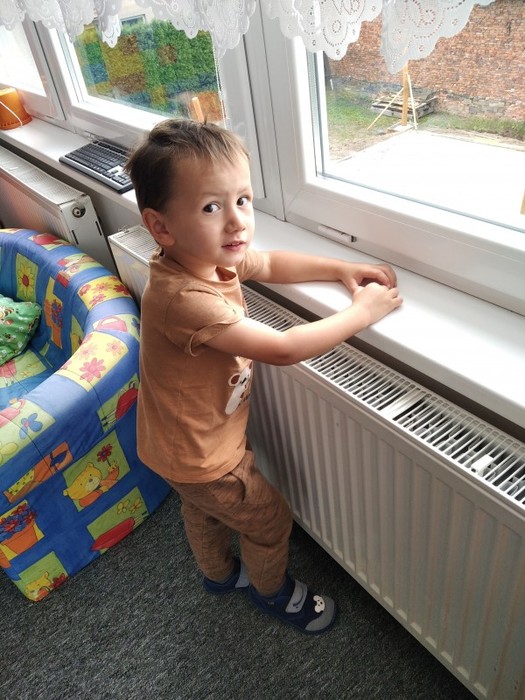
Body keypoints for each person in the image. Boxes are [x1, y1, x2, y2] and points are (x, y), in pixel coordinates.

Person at [126, 118, 402, 635]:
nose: (237, 222)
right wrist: (362, 312)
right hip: (206, 458)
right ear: (160, 227)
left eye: (243, 200)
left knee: (202, 512)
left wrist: (339, 268)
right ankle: (271, 592)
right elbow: (283, 348)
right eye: (211, 207)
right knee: (269, 520)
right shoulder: (183, 298)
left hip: (174, 446)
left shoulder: (200, 258)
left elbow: (270, 262)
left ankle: (217, 574)